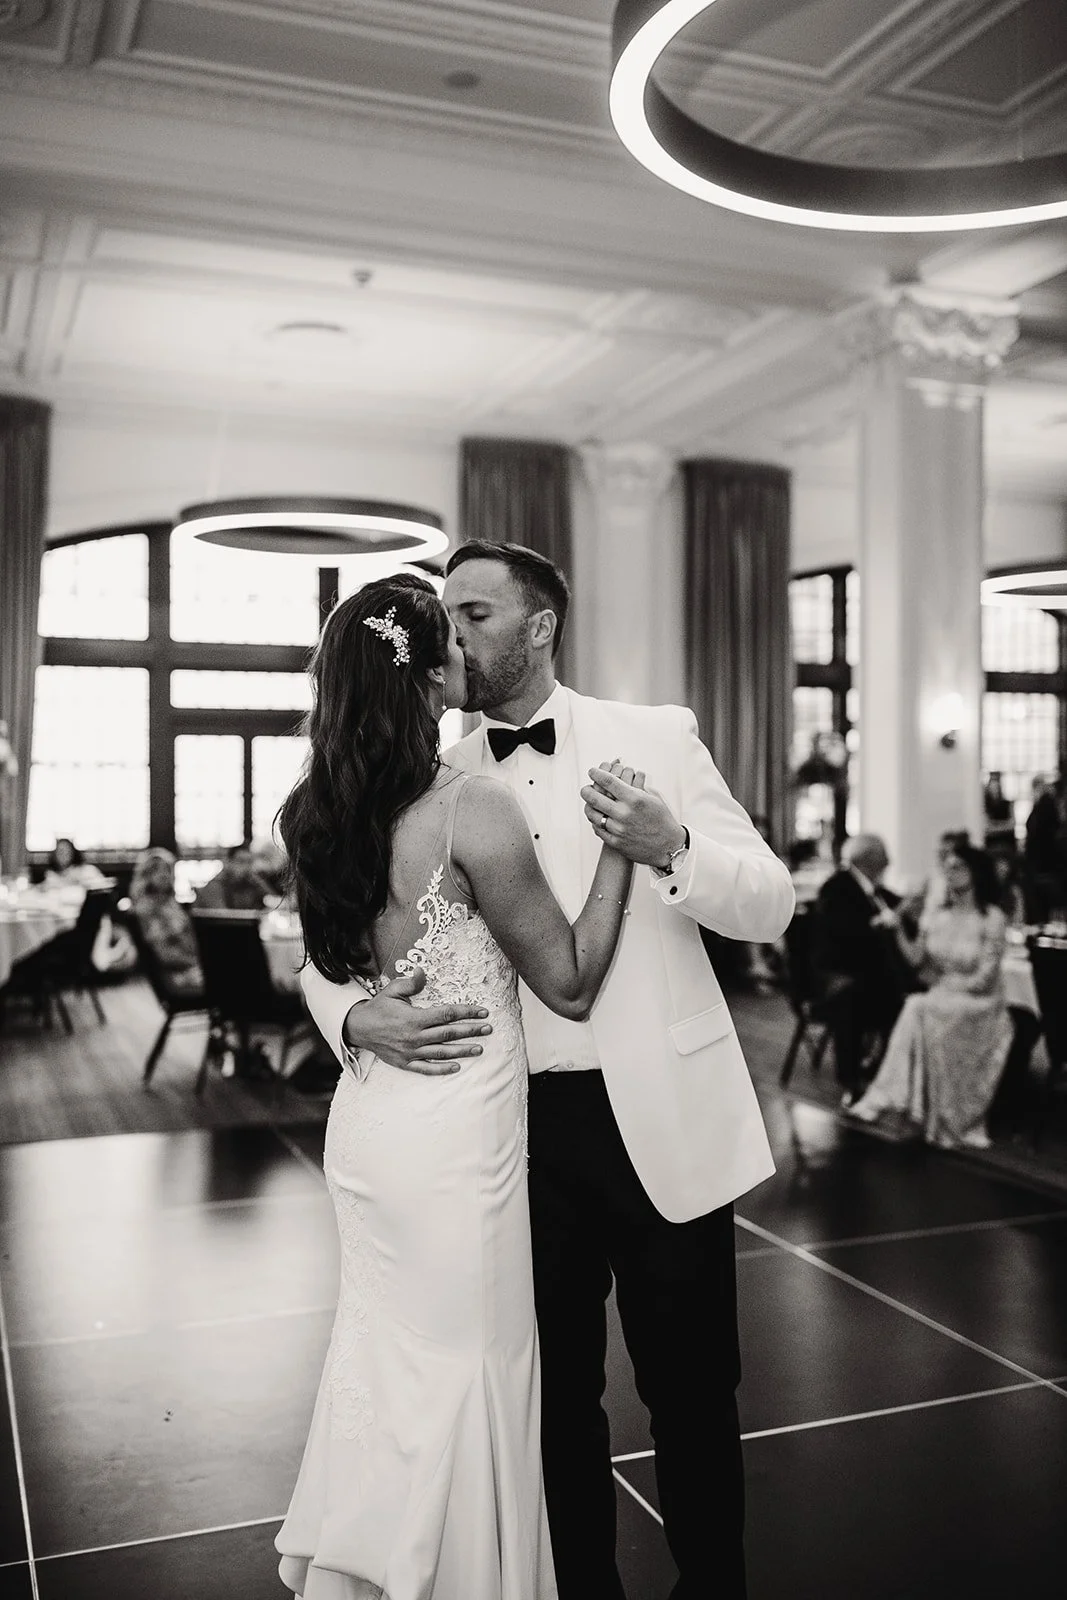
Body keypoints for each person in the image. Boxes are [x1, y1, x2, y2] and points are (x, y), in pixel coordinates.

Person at [299, 542, 795, 1600]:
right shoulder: (430, 774)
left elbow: (769, 899)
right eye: (441, 619)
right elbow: (326, 949)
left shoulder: (654, 736)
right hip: (507, 1133)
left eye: (473, 613)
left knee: (693, 1393)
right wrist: (354, 1014)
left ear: (539, 626)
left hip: (658, 1115)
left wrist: (671, 847)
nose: (452, 636)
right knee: (549, 1401)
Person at [275, 571, 637, 1600]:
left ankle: (377, 1568)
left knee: (385, 1358)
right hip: (455, 1147)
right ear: (429, 674)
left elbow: (323, 964)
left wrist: (353, 1011)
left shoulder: (312, 811)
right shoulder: (467, 807)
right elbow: (566, 979)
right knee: (473, 1367)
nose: (469, 661)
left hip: (370, 1129)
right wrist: (617, 855)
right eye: (455, 647)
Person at [847, 840, 1013, 1150]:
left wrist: (946, 990)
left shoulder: (991, 918)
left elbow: (985, 979)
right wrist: (897, 929)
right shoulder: (937, 915)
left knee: (919, 1007)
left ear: (975, 872)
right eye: (947, 867)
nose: (949, 873)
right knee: (918, 1006)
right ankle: (910, 1104)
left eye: (958, 867)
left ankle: (901, 1101)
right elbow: (916, 961)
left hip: (981, 1003)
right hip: (941, 999)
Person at [809, 833, 918, 1104]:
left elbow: (896, 906)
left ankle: (892, 1066)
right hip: (838, 975)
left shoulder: (872, 889)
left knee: (909, 988)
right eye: (884, 857)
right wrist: (881, 923)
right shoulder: (837, 888)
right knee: (858, 997)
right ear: (869, 860)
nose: (889, 862)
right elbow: (845, 935)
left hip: (869, 973)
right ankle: (853, 1078)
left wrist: (907, 909)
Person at [128, 846, 204, 996]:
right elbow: (162, 953)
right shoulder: (146, 909)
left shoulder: (169, 902)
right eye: (156, 870)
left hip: (191, 965)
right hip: (177, 975)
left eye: (167, 870)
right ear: (145, 875)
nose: (163, 875)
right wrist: (197, 962)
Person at [194, 843, 271, 911]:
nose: (246, 867)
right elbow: (224, 919)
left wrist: (259, 882)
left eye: (249, 862)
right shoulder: (214, 886)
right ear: (228, 863)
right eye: (241, 861)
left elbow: (275, 903)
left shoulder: (249, 883)